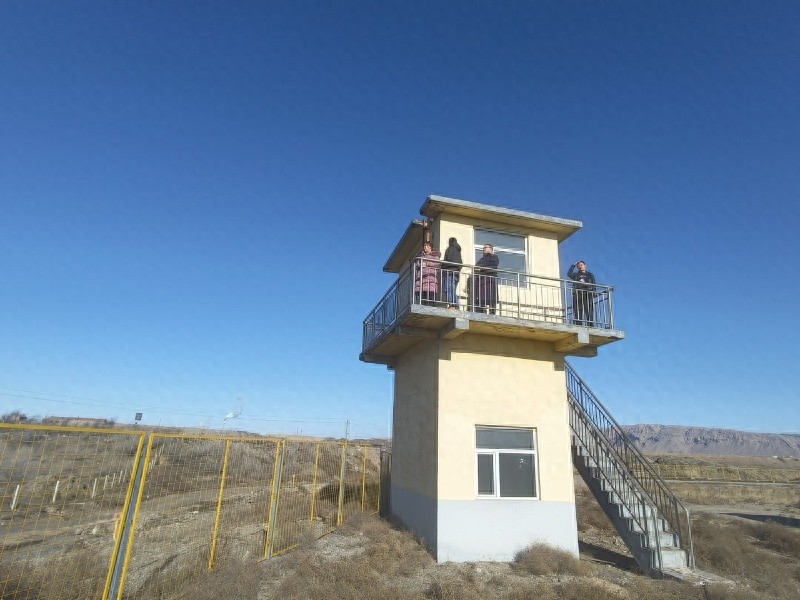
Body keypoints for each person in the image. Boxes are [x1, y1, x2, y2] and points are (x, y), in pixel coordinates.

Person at [567, 260, 596, 326]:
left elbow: (594, 284)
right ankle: (578, 325)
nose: (580, 266)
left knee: (589, 310)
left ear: (585, 266)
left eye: (581, 265)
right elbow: (569, 274)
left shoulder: (590, 275)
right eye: (578, 266)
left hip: (588, 294)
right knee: (578, 310)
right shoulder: (576, 275)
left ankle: (590, 325)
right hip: (578, 294)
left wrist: (594, 292)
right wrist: (573, 265)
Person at [474, 244, 499, 314]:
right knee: (480, 297)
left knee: (491, 297)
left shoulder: (494, 257)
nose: (484, 249)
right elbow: (476, 268)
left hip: (490, 280)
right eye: (483, 248)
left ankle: (492, 312)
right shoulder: (481, 259)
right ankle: (480, 311)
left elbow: (493, 266)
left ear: (490, 249)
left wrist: (482, 269)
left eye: (485, 247)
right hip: (481, 281)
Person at [414, 241, 441, 306]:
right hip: (422, 280)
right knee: (423, 299)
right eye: (424, 246)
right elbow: (417, 265)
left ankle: (430, 307)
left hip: (430, 279)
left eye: (426, 246)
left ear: (430, 247)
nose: (424, 247)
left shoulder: (434, 255)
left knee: (430, 297)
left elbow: (437, 263)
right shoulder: (421, 256)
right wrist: (419, 264)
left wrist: (427, 263)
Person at [442, 237, 462, 308]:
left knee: (448, 289)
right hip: (456, 274)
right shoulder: (458, 251)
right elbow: (459, 264)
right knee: (452, 290)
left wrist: (442, 265)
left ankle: (453, 304)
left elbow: (448, 261)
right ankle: (455, 305)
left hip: (450, 272)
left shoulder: (450, 249)